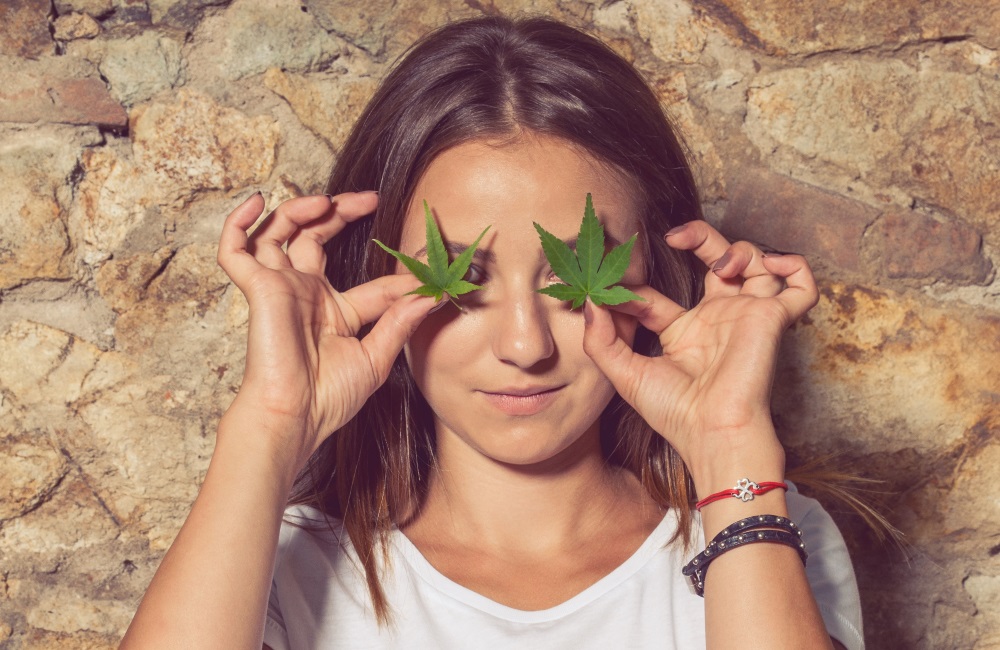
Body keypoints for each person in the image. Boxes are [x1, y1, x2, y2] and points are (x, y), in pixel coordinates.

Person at [121, 15, 863, 650]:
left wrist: (731, 440)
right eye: (461, 278)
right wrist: (272, 422)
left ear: (654, 275)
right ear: (378, 280)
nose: (524, 345)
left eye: (573, 276)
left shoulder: (765, 526)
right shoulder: (282, 564)